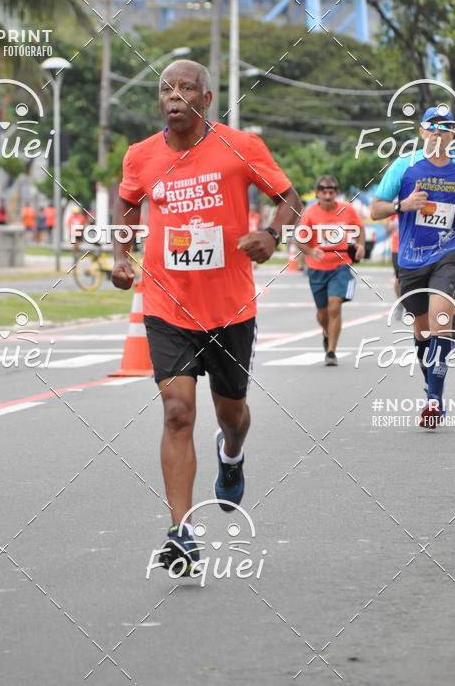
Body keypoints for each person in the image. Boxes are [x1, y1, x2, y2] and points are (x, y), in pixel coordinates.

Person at [110, 58, 301, 575]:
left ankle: (231, 454)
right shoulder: (141, 155)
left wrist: (272, 235)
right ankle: (181, 532)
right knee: (177, 412)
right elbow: (127, 204)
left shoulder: (242, 147)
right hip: (167, 305)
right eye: (165, 89)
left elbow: (288, 196)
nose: (174, 97)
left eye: (186, 89)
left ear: (207, 99)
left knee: (231, 415)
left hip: (230, 308)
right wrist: (122, 256)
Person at [370, 106, 455, 429]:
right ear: (421, 131)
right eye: (432, 126)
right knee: (422, 331)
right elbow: (375, 210)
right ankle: (431, 385)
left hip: (451, 251)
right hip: (411, 259)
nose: (438, 132)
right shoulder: (404, 165)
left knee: (440, 319)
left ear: (453, 134)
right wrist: (403, 205)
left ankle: (434, 399)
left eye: (445, 127)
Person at [300, 175, 365, 366]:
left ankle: (331, 352)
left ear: (336, 193)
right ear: (317, 193)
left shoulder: (347, 210)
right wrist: (311, 251)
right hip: (317, 268)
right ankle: (326, 332)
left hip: (341, 265)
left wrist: (361, 246)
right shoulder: (310, 213)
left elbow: (360, 229)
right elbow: (299, 239)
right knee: (323, 313)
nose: (328, 196)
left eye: (331, 192)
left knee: (334, 306)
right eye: (324, 192)